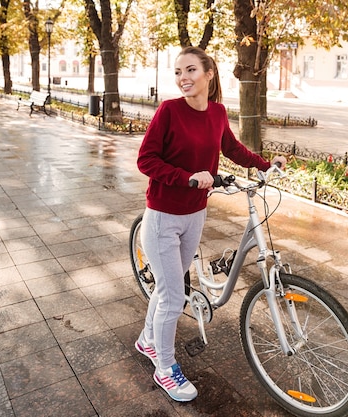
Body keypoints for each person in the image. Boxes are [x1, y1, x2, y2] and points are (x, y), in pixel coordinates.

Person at [134, 45, 286, 402]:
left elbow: (231, 148)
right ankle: (165, 368)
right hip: (163, 218)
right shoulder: (169, 111)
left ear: (208, 74)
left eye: (189, 70)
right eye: (177, 72)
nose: (182, 78)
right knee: (174, 296)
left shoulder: (217, 112)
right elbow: (146, 160)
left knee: (168, 289)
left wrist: (265, 165)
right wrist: (186, 177)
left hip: (195, 215)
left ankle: (146, 340)